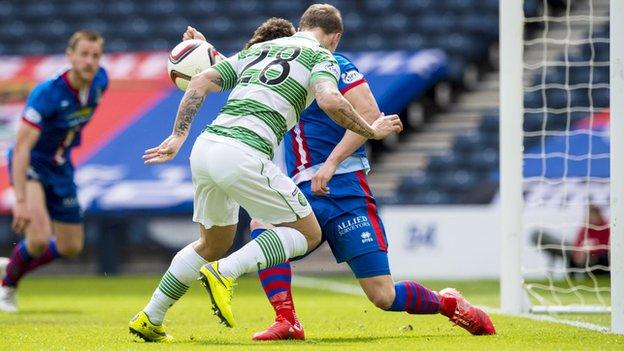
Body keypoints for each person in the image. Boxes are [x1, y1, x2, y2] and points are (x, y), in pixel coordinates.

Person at [186, 16, 495, 341]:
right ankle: (287, 321)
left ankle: (449, 303)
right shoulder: (290, 66)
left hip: (345, 188)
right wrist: (209, 52)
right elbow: (248, 70)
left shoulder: (334, 64)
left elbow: (371, 114)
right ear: (334, 36)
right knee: (265, 230)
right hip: (301, 187)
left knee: (383, 296)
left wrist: (331, 163)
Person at [128, 4, 402, 342]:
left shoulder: (261, 49)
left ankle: (150, 317)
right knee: (308, 234)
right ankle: (224, 273)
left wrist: (178, 135)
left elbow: (200, 80)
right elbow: (331, 102)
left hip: (205, 147)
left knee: (211, 243)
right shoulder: (321, 58)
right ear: (335, 38)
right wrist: (372, 131)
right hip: (244, 152)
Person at [0, 30, 108, 313]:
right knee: (37, 238)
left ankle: (14, 262)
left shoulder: (101, 81)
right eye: (83, 54)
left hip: (60, 165)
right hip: (33, 162)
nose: (89, 61)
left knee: (71, 246)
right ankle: (7, 287)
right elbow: (21, 147)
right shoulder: (47, 93)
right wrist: (20, 201)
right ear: (70, 55)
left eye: (95, 55)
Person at [532, 204, 610, 275]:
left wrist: (589, 252)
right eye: (589, 215)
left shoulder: (606, 228)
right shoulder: (585, 228)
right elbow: (578, 242)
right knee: (571, 253)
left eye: (593, 215)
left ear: (599, 215)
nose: (591, 218)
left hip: (597, 258)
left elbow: (606, 246)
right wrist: (579, 252)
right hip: (581, 256)